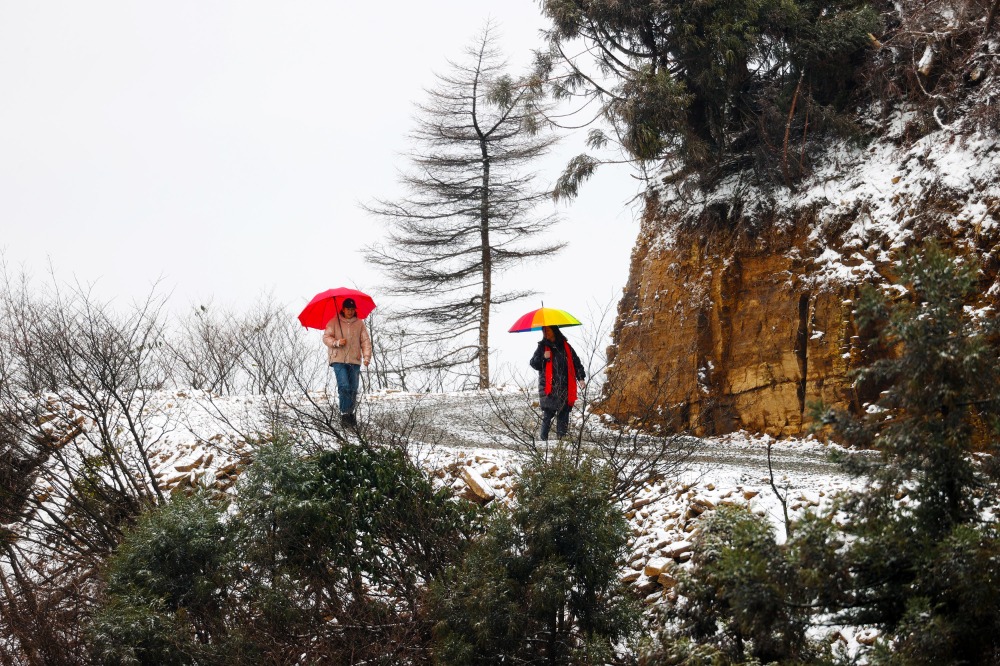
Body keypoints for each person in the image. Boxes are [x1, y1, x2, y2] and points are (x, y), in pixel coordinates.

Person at [529, 325, 586, 441]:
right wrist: (543, 358)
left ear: (554, 331)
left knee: (563, 414)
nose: (545, 333)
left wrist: (581, 378)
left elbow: (576, 363)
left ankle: (561, 441)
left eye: (548, 330)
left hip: (565, 386)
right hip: (548, 387)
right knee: (548, 414)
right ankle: (543, 440)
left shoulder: (566, 346)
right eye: (544, 331)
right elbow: (534, 364)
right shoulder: (542, 347)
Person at [322, 298, 372, 427]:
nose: (350, 311)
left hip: (354, 359)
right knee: (344, 386)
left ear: (355, 309)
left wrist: (366, 357)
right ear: (343, 309)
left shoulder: (359, 323)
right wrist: (337, 342)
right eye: (348, 309)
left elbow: (365, 341)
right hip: (338, 359)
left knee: (353, 388)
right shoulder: (334, 321)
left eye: (352, 309)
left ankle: (351, 413)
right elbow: (326, 337)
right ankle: (344, 414)